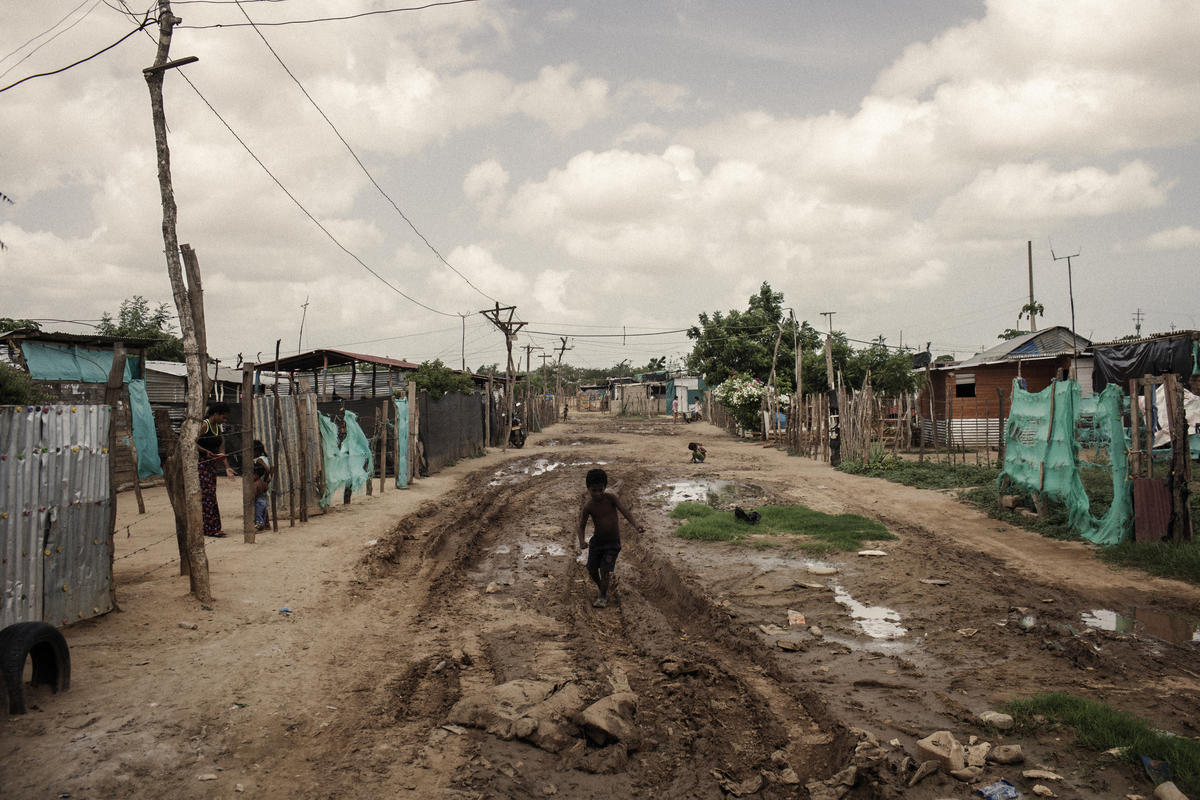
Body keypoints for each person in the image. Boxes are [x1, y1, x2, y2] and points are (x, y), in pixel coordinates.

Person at [577, 468, 643, 608]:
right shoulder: (588, 506)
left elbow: (625, 511)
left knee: (604, 569)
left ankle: (602, 596)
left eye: (600, 490)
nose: (598, 494)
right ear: (588, 489)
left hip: (612, 543)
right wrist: (582, 541)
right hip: (597, 543)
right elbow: (581, 526)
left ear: (605, 487)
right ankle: (602, 587)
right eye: (594, 490)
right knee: (592, 570)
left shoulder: (611, 498)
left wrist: (636, 524)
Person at [197, 402, 235, 537]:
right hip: (200, 464)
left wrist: (227, 467)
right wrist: (205, 451)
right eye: (223, 417)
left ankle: (212, 527)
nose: (224, 420)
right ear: (216, 414)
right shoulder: (204, 425)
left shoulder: (218, 428)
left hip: (211, 464)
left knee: (211, 495)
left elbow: (221, 449)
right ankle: (210, 528)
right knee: (207, 496)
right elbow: (191, 441)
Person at [252, 440, 272, 531]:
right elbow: (272, 467)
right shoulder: (265, 458)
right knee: (263, 503)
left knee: (258, 503)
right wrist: (269, 479)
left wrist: (265, 479)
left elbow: (267, 469)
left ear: (256, 451)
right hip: (266, 483)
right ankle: (266, 523)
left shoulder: (259, 459)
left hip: (261, 483)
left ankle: (260, 524)